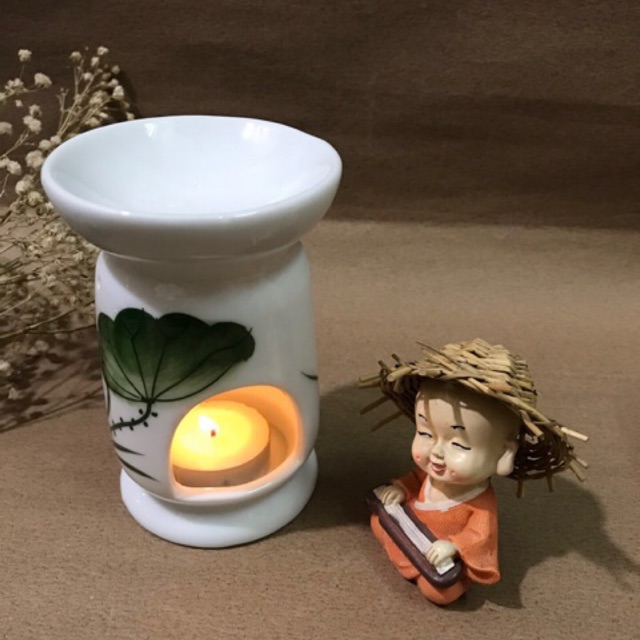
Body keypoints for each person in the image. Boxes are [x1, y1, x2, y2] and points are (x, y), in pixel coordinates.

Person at [361, 339, 587, 605]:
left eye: (458, 444)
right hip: (414, 527)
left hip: (440, 548)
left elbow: (480, 536)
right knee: (380, 521)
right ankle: (403, 549)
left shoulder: (480, 503)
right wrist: (400, 488)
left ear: (504, 455)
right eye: (425, 433)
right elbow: (415, 479)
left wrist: (453, 547)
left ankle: (453, 577)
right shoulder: (431, 473)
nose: (436, 452)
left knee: (438, 592)